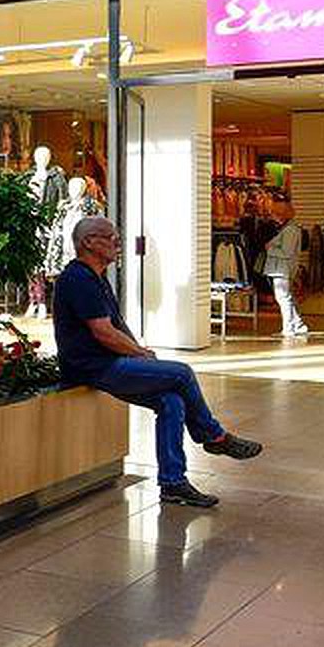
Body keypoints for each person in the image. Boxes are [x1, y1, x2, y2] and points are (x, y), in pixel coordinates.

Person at [50, 216, 263, 508]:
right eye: (110, 237)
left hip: (108, 363)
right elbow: (103, 332)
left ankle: (173, 483)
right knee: (182, 373)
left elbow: (116, 326)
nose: (117, 242)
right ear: (88, 242)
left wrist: (138, 350)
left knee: (171, 402)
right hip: (93, 367)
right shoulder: (78, 278)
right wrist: (138, 354)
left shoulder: (96, 277)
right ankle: (214, 436)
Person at [259, 214, 307, 340]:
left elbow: (287, 252)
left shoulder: (290, 230)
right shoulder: (289, 229)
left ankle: (289, 328)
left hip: (282, 269)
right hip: (282, 269)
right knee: (286, 297)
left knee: (283, 298)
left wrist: (269, 248)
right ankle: (298, 325)